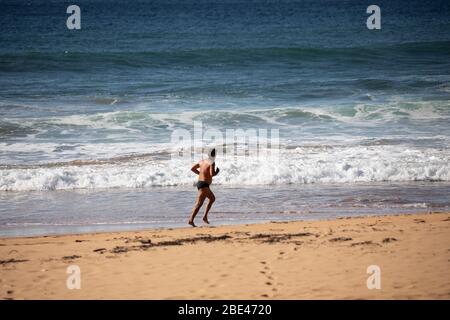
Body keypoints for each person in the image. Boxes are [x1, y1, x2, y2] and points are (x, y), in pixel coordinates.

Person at [188, 148, 220, 227]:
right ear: (214, 155)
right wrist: (217, 172)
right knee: (199, 204)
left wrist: (200, 174)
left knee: (212, 198)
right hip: (204, 185)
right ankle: (191, 220)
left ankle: (205, 217)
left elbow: (193, 169)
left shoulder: (202, 161)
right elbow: (211, 174)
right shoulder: (212, 162)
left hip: (200, 183)